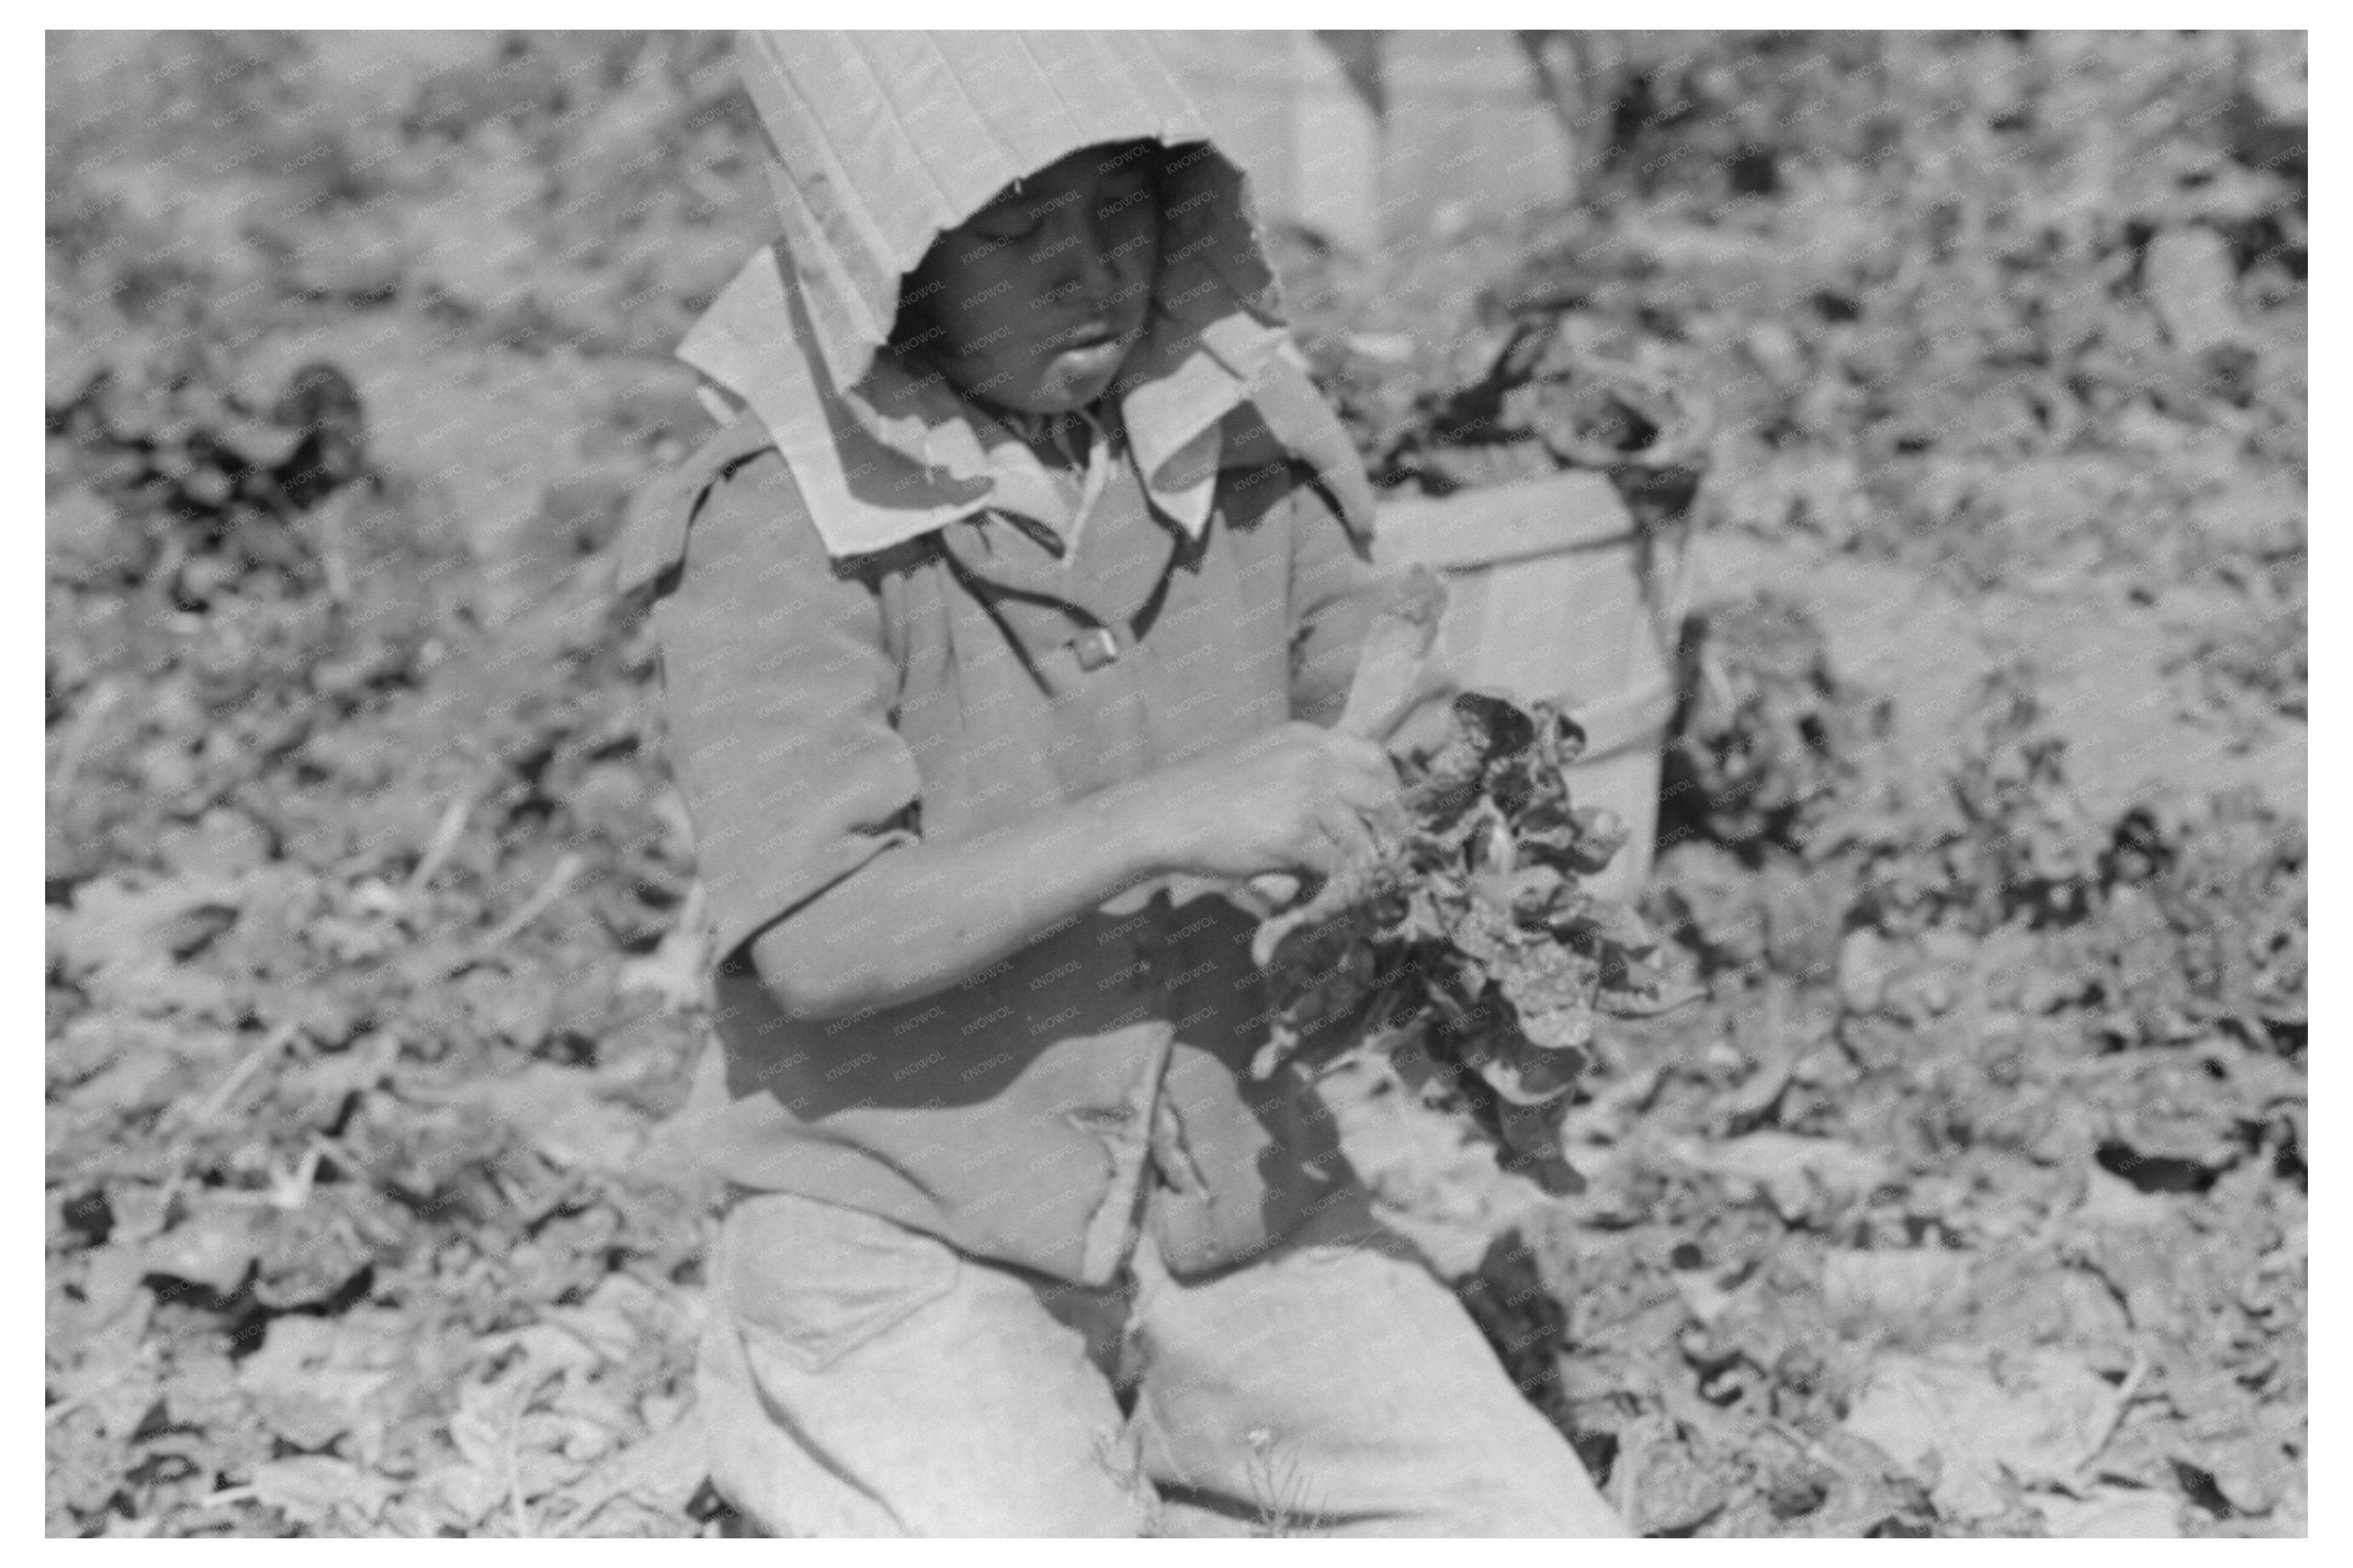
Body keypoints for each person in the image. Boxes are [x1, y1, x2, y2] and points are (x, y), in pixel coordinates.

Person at [617, 30, 1630, 1538]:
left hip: (1235, 1217)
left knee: (1531, 1529)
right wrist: (1170, 815)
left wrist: (1422, 764)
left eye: (1119, 213)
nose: (1088, 271)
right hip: (910, 1225)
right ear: (889, 267)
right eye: (1019, 233)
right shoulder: (780, 523)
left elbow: (1357, 663)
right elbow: (821, 940)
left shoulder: (1229, 441)